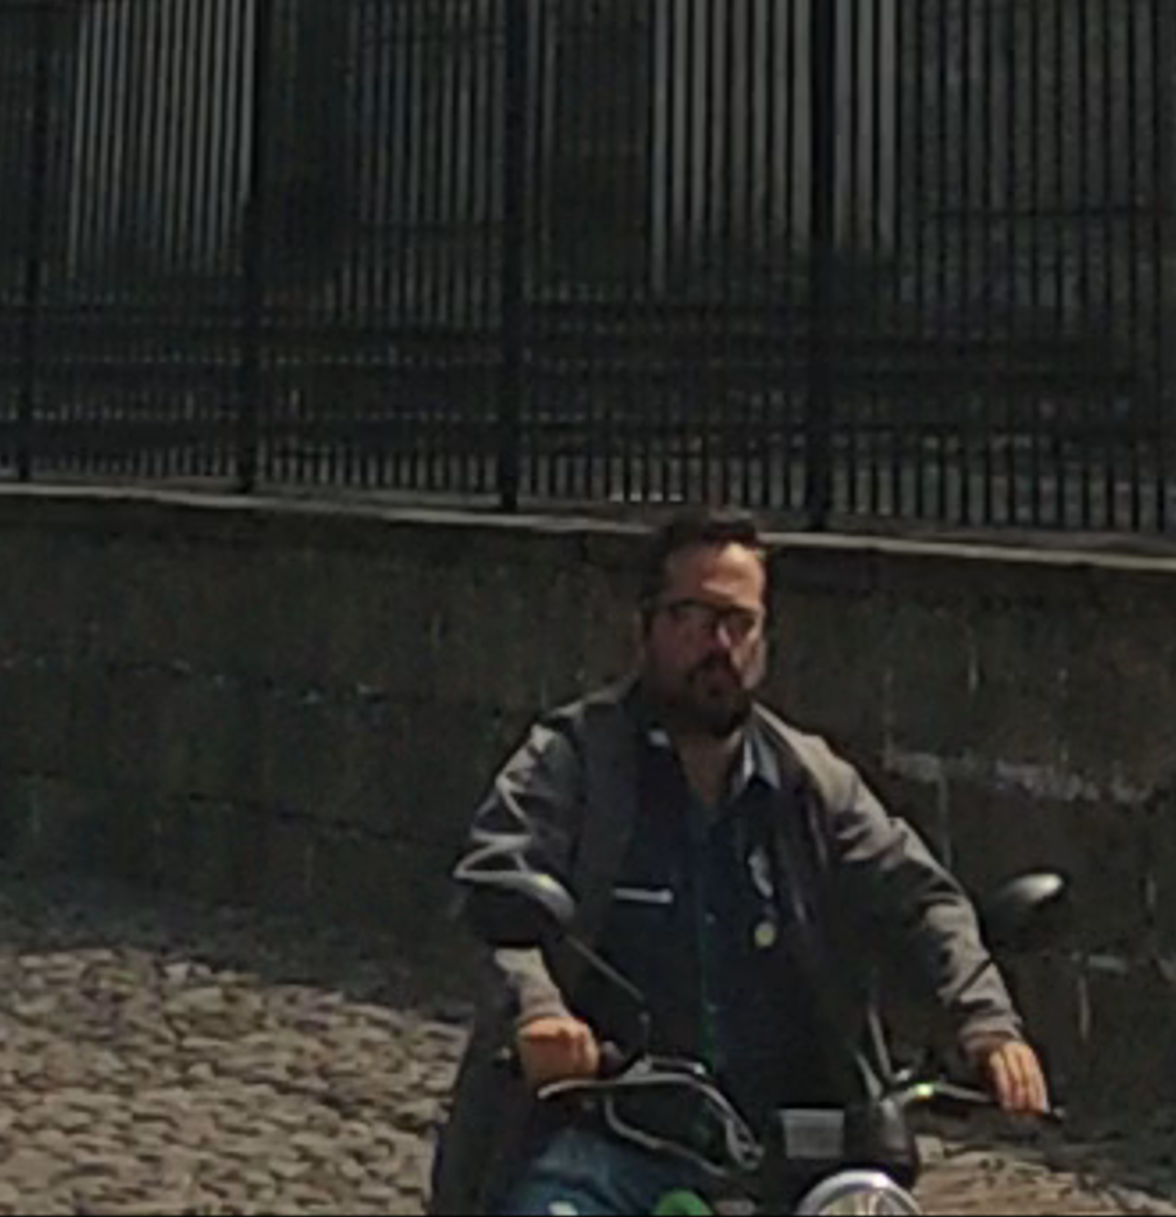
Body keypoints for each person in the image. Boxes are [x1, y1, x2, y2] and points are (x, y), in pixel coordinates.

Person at [432, 515, 1051, 1217]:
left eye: (737, 620)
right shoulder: (572, 761)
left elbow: (920, 898)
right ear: (646, 626)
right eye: (691, 615)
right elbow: (499, 895)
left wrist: (988, 1025)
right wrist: (542, 1015)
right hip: (607, 1139)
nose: (715, 642)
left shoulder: (810, 781)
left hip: (788, 1154)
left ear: (763, 638)